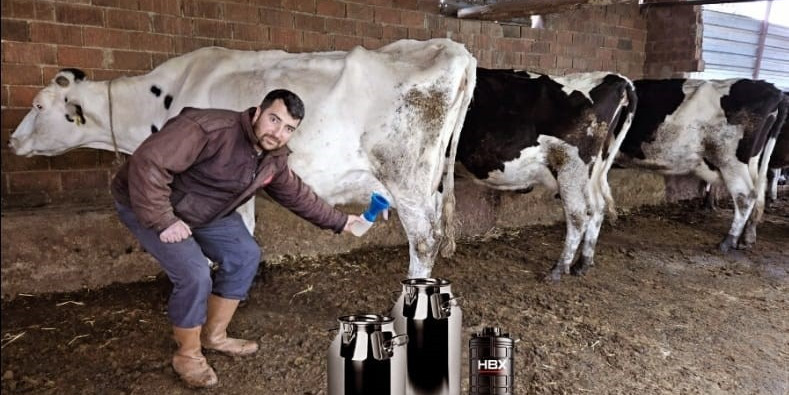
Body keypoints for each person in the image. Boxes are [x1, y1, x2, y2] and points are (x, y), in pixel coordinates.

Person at [111, 89, 364, 388]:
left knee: (245, 255)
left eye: (288, 129)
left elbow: (297, 195)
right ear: (257, 112)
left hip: (207, 211)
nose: (278, 133)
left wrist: (341, 221)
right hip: (150, 202)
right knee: (194, 273)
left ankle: (214, 335)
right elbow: (148, 162)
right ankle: (188, 356)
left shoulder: (272, 157)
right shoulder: (208, 128)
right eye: (274, 119)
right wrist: (163, 219)